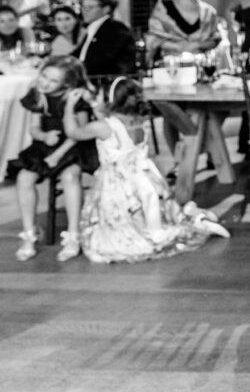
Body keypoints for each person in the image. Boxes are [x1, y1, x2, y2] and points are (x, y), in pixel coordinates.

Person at [62, 77, 229, 263]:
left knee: (121, 226)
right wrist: (94, 103)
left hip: (118, 184)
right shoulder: (137, 121)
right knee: (146, 217)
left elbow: (73, 133)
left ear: (109, 102)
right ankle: (196, 221)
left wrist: (69, 107)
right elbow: (112, 124)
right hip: (143, 178)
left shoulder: (102, 127)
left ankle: (195, 226)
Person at [9, 56, 96, 262]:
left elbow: (80, 132)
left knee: (70, 176)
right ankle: (29, 233)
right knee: (24, 178)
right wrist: (43, 136)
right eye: (44, 76)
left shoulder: (75, 99)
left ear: (66, 84)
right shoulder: (38, 95)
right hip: (46, 145)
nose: (44, 82)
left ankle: (74, 234)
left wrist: (57, 155)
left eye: (53, 81)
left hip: (73, 145)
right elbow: (34, 127)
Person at [146, 0, 221, 61]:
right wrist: (177, 47)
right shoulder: (163, 6)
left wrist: (197, 45)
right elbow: (153, 37)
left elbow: (215, 39)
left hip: (199, 64)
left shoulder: (209, 12)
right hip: (170, 64)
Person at [75, 0, 136, 77]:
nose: (85, 11)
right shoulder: (92, 28)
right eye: (83, 7)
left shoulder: (115, 28)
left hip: (107, 81)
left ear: (106, 9)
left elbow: (103, 60)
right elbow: (79, 55)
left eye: (90, 7)